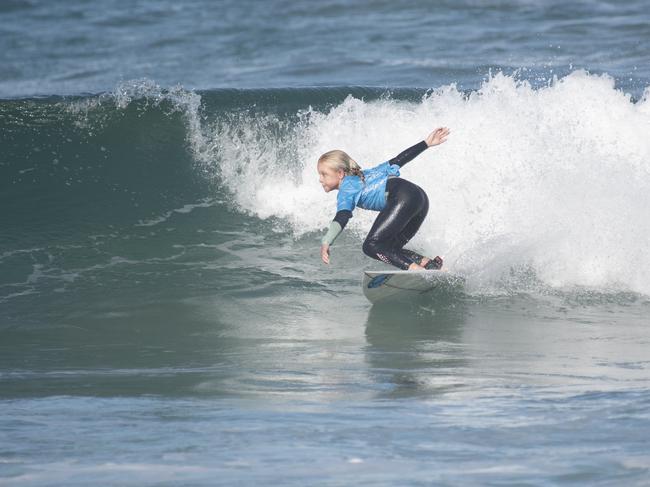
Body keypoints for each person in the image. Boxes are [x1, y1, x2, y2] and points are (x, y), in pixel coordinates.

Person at [317, 127, 450, 271]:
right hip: (420, 198)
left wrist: (326, 241)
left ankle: (415, 269)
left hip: (403, 197)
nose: (320, 179)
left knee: (371, 246)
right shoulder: (367, 174)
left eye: (324, 174)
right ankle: (430, 265)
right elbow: (399, 160)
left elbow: (342, 216)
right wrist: (426, 143)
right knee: (390, 248)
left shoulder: (346, 189)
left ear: (340, 173)